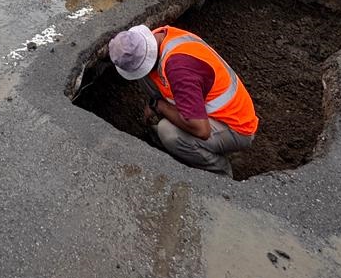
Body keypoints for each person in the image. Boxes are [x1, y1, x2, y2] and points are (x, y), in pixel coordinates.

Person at [109, 23, 258, 176]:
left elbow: (201, 129)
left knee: (169, 133)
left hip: (235, 125)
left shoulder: (179, 70)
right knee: (145, 79)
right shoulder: (160, 36)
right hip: (205, 103)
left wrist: (159, 106)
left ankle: (221, 173)